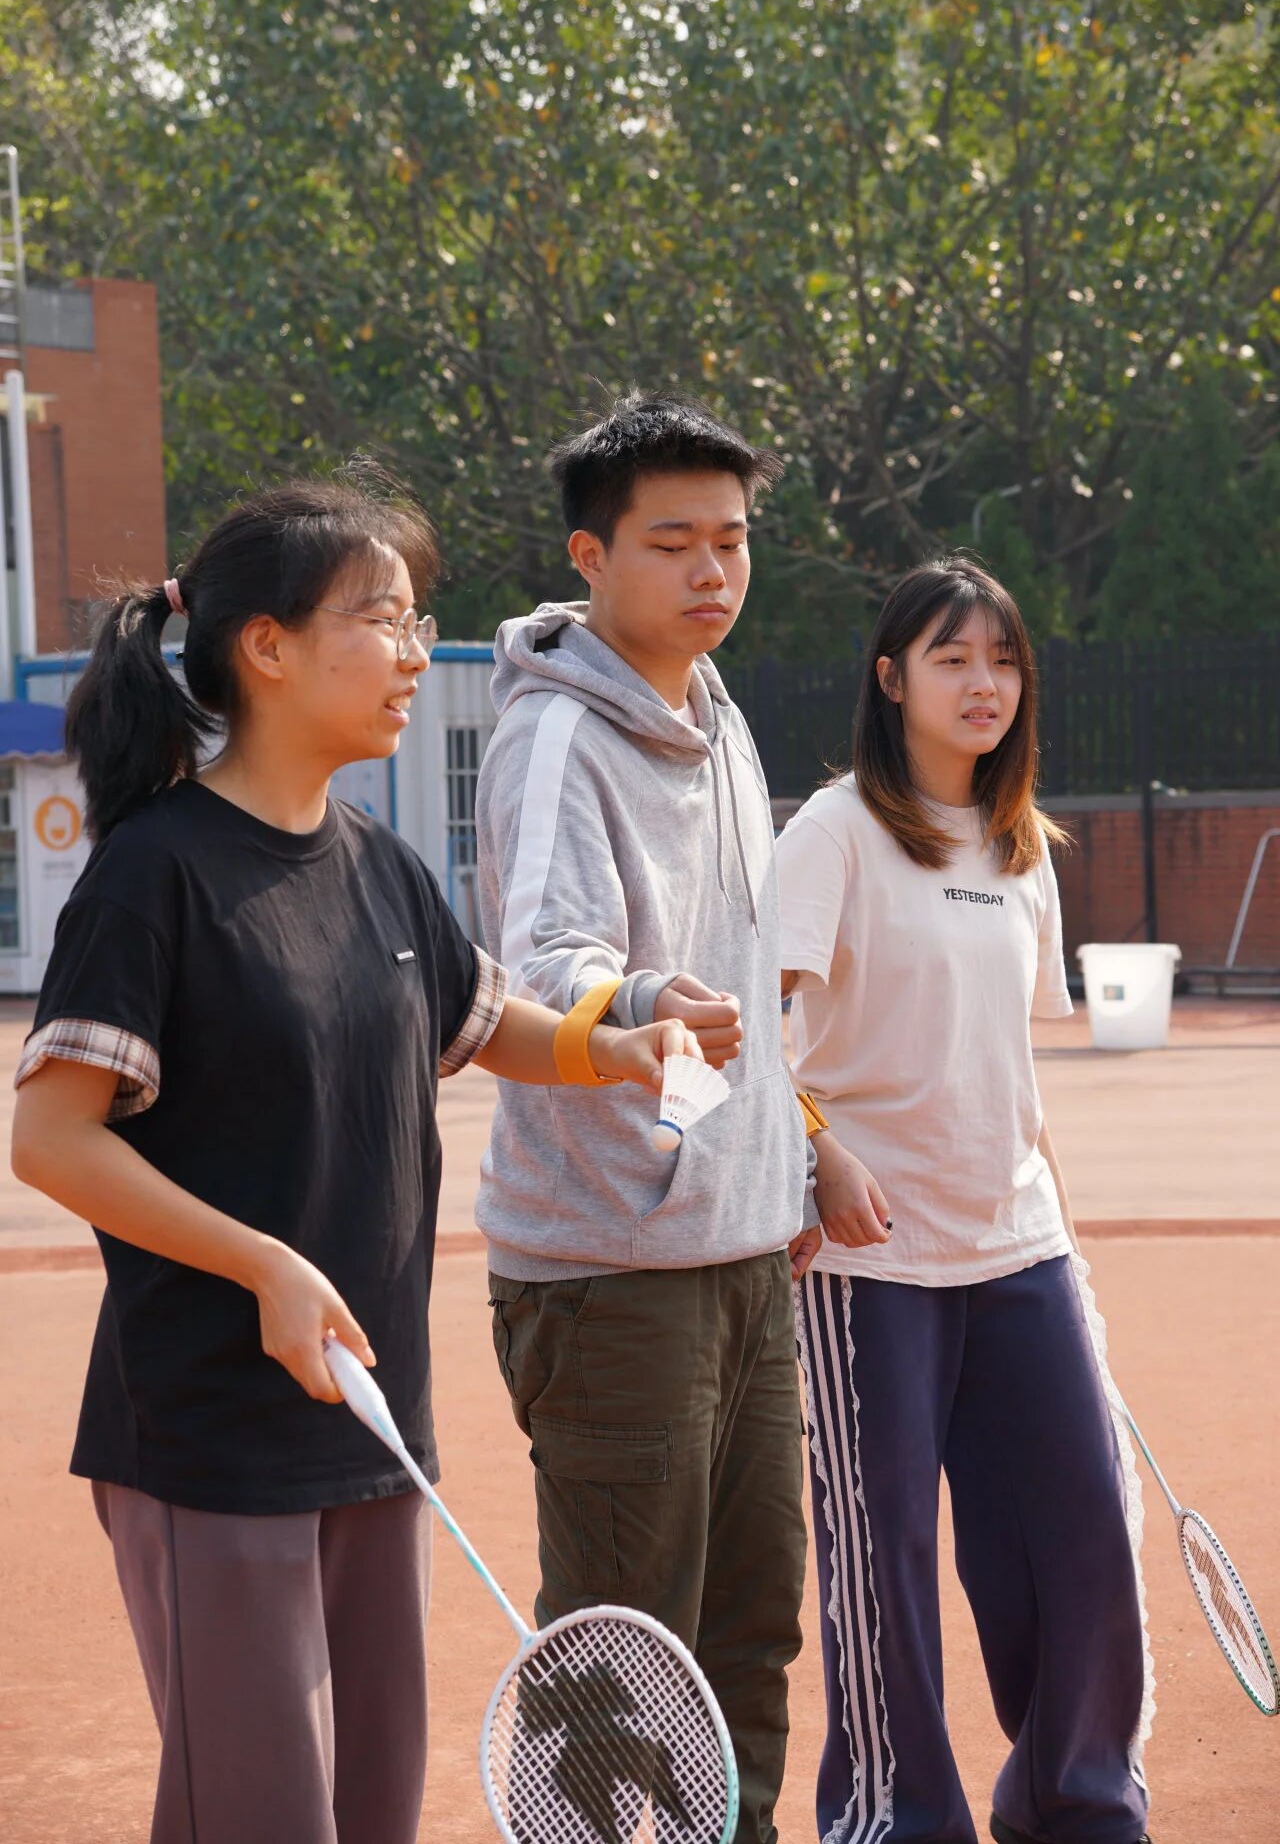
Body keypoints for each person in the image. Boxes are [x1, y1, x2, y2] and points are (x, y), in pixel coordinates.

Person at [9, 468, 696, 1844]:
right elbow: (50, 1137)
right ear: (266, 647)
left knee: (371, 1807)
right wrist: (262, 1265)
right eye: (382, 619)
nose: (413, 652)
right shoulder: (152, 876)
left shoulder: (379, 864)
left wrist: (614, 1047)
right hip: (210, 1432)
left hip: (377, 1422)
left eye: (416, 618)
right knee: (260, 1816)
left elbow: (482, 1022)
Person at [473, 390, 829, 1844]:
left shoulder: (719, 715)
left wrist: (790, 1158)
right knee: (624, 1669)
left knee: (749, 1636)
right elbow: (545, 963)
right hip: (611, 1274)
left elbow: (741, 979)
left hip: (743, 1254)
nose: (710, 570)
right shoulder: (558, 733)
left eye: (730, 540)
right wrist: (639, 1011)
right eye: (672, 542)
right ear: (591, 555)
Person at [776, 555, 1153, 1844]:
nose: (984, 683)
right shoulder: (832, 833)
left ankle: (1075, 1801)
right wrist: (817, 1152)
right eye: (952, 658)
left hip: (1019, 1246)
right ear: (892, 680)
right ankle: (898, 1816)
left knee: (1080, 1535)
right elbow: (751, 1037)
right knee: (882, 1561)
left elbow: (1009, 1070)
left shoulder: (1020, 846)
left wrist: (1063, 1245)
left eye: (1003, 661)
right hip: (870, 1261)